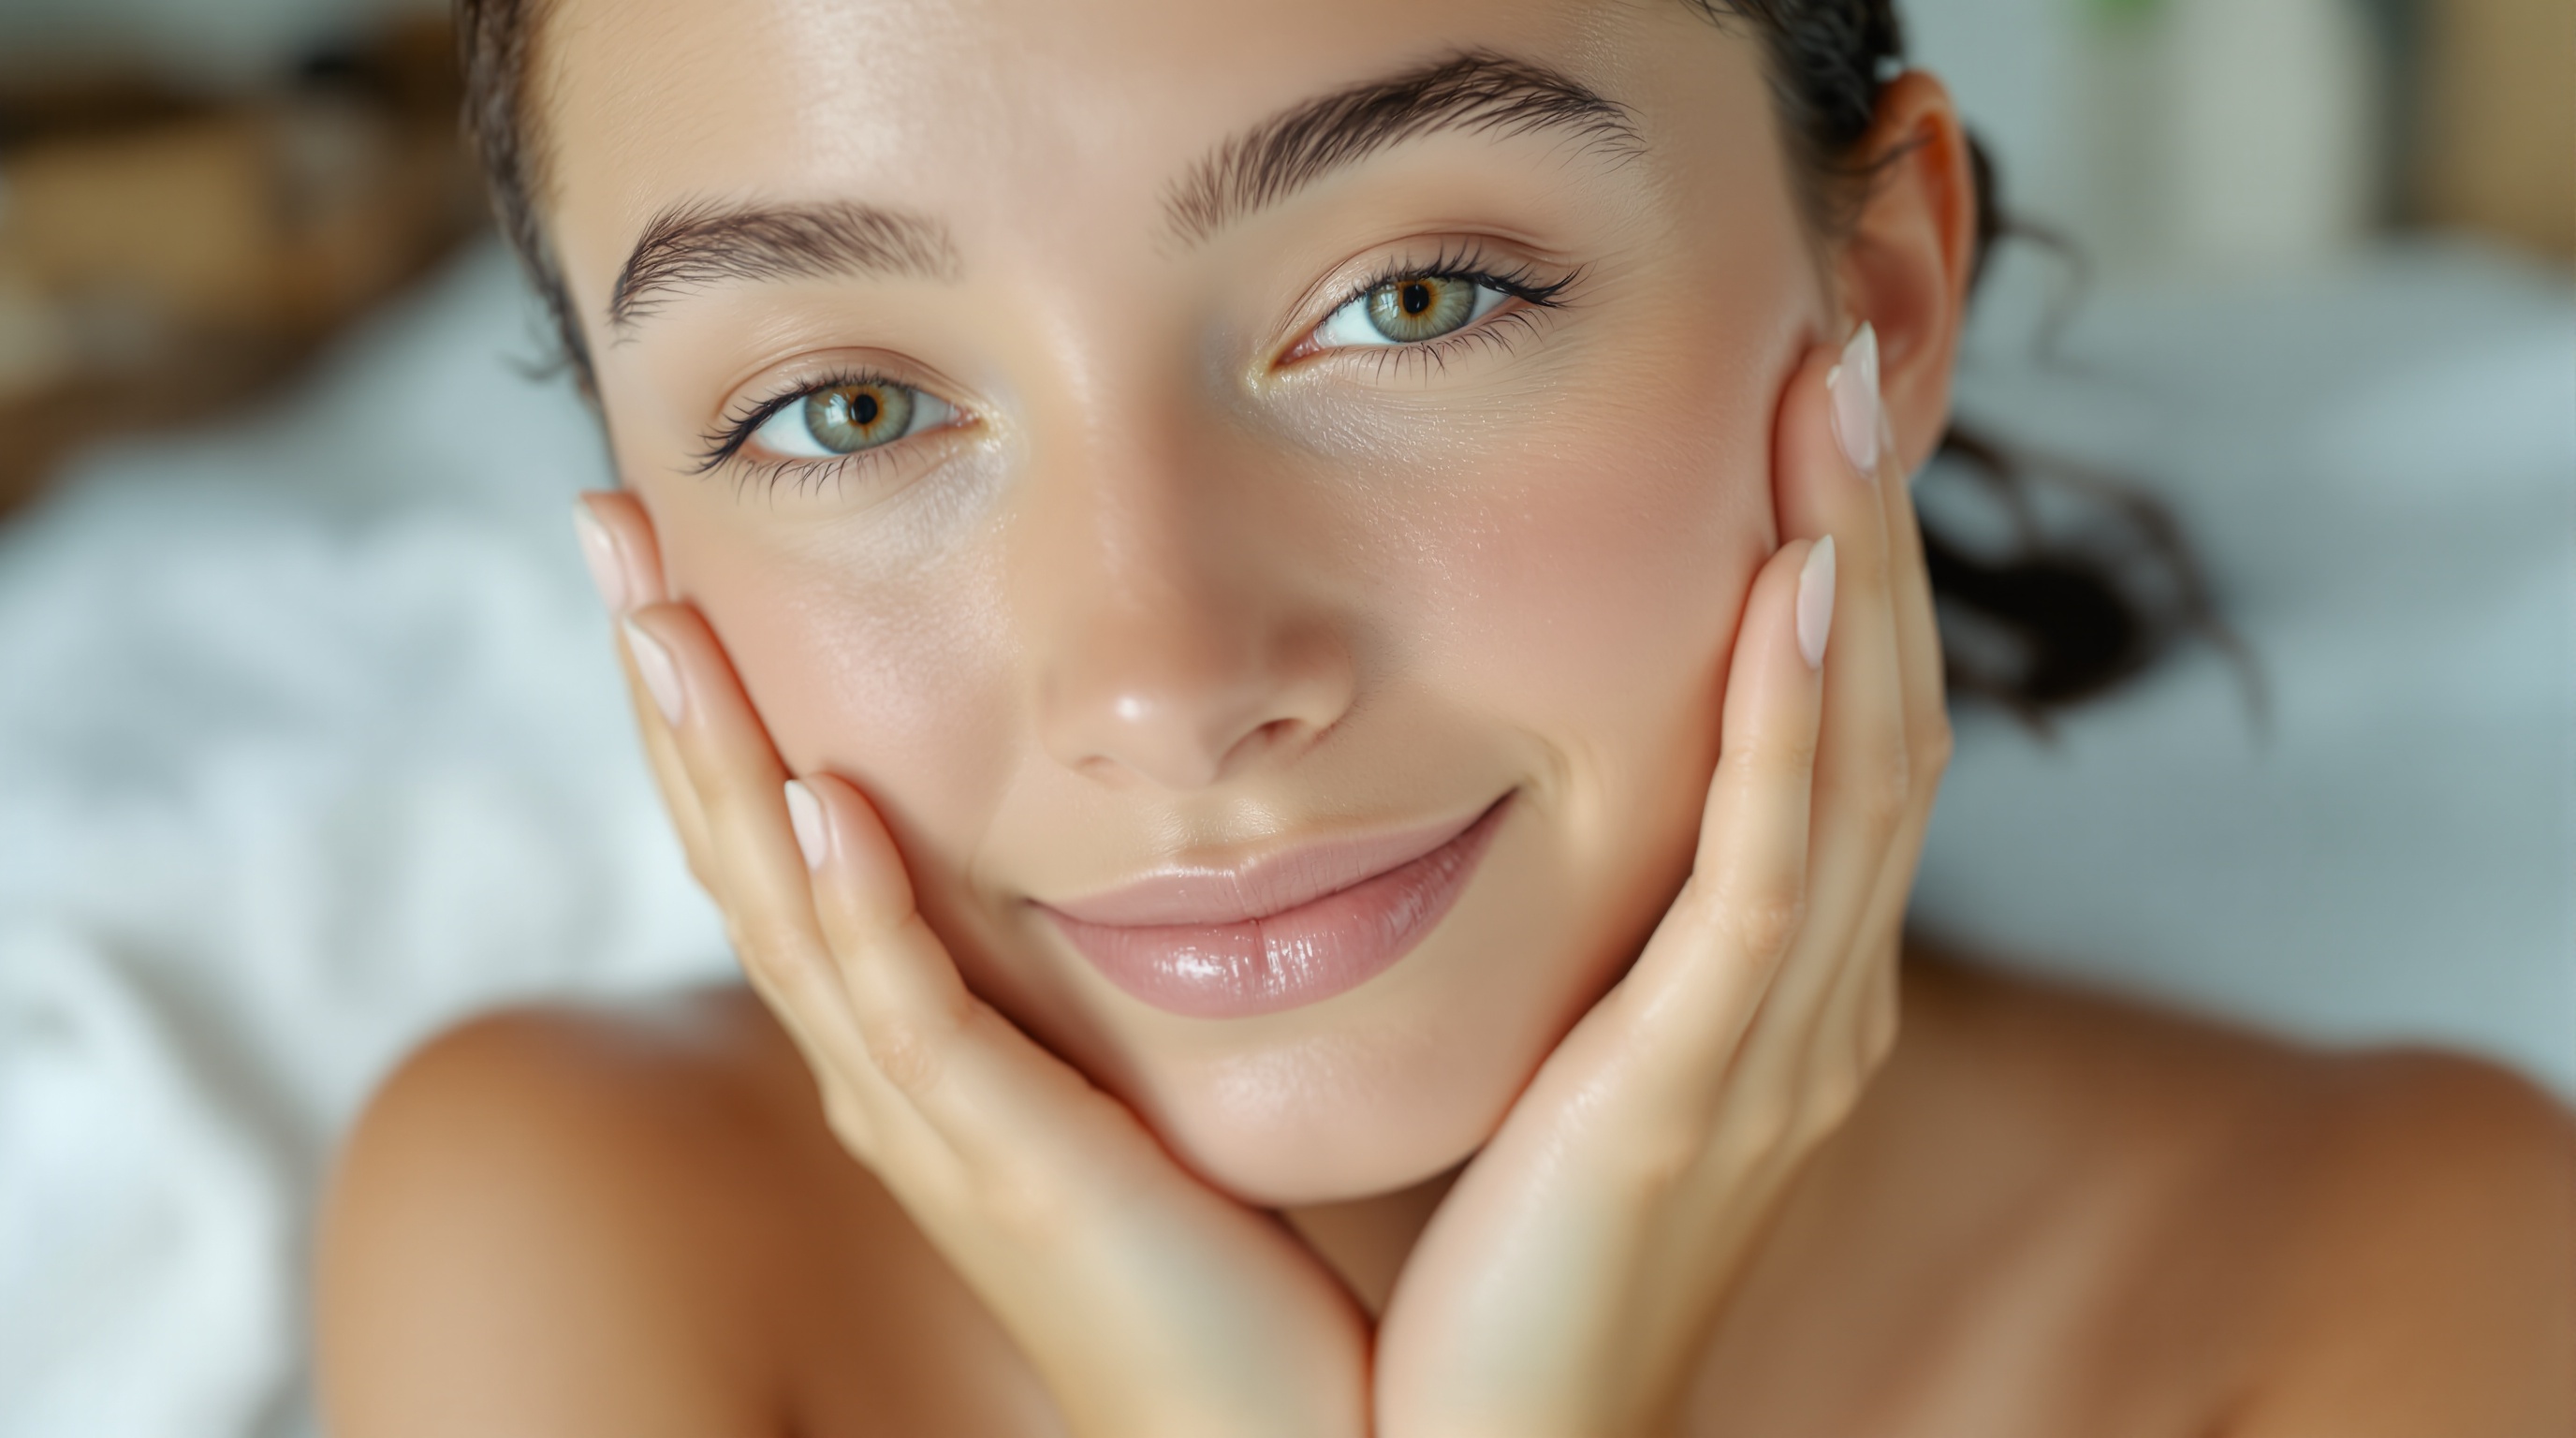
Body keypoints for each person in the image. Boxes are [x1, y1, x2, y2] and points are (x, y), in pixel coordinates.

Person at [315, 1, 2576, 1431]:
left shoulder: (2378, 1285)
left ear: (1875, 304)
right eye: (846, 409)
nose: (1168, 682)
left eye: (1411, 300)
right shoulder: (582, 1244)